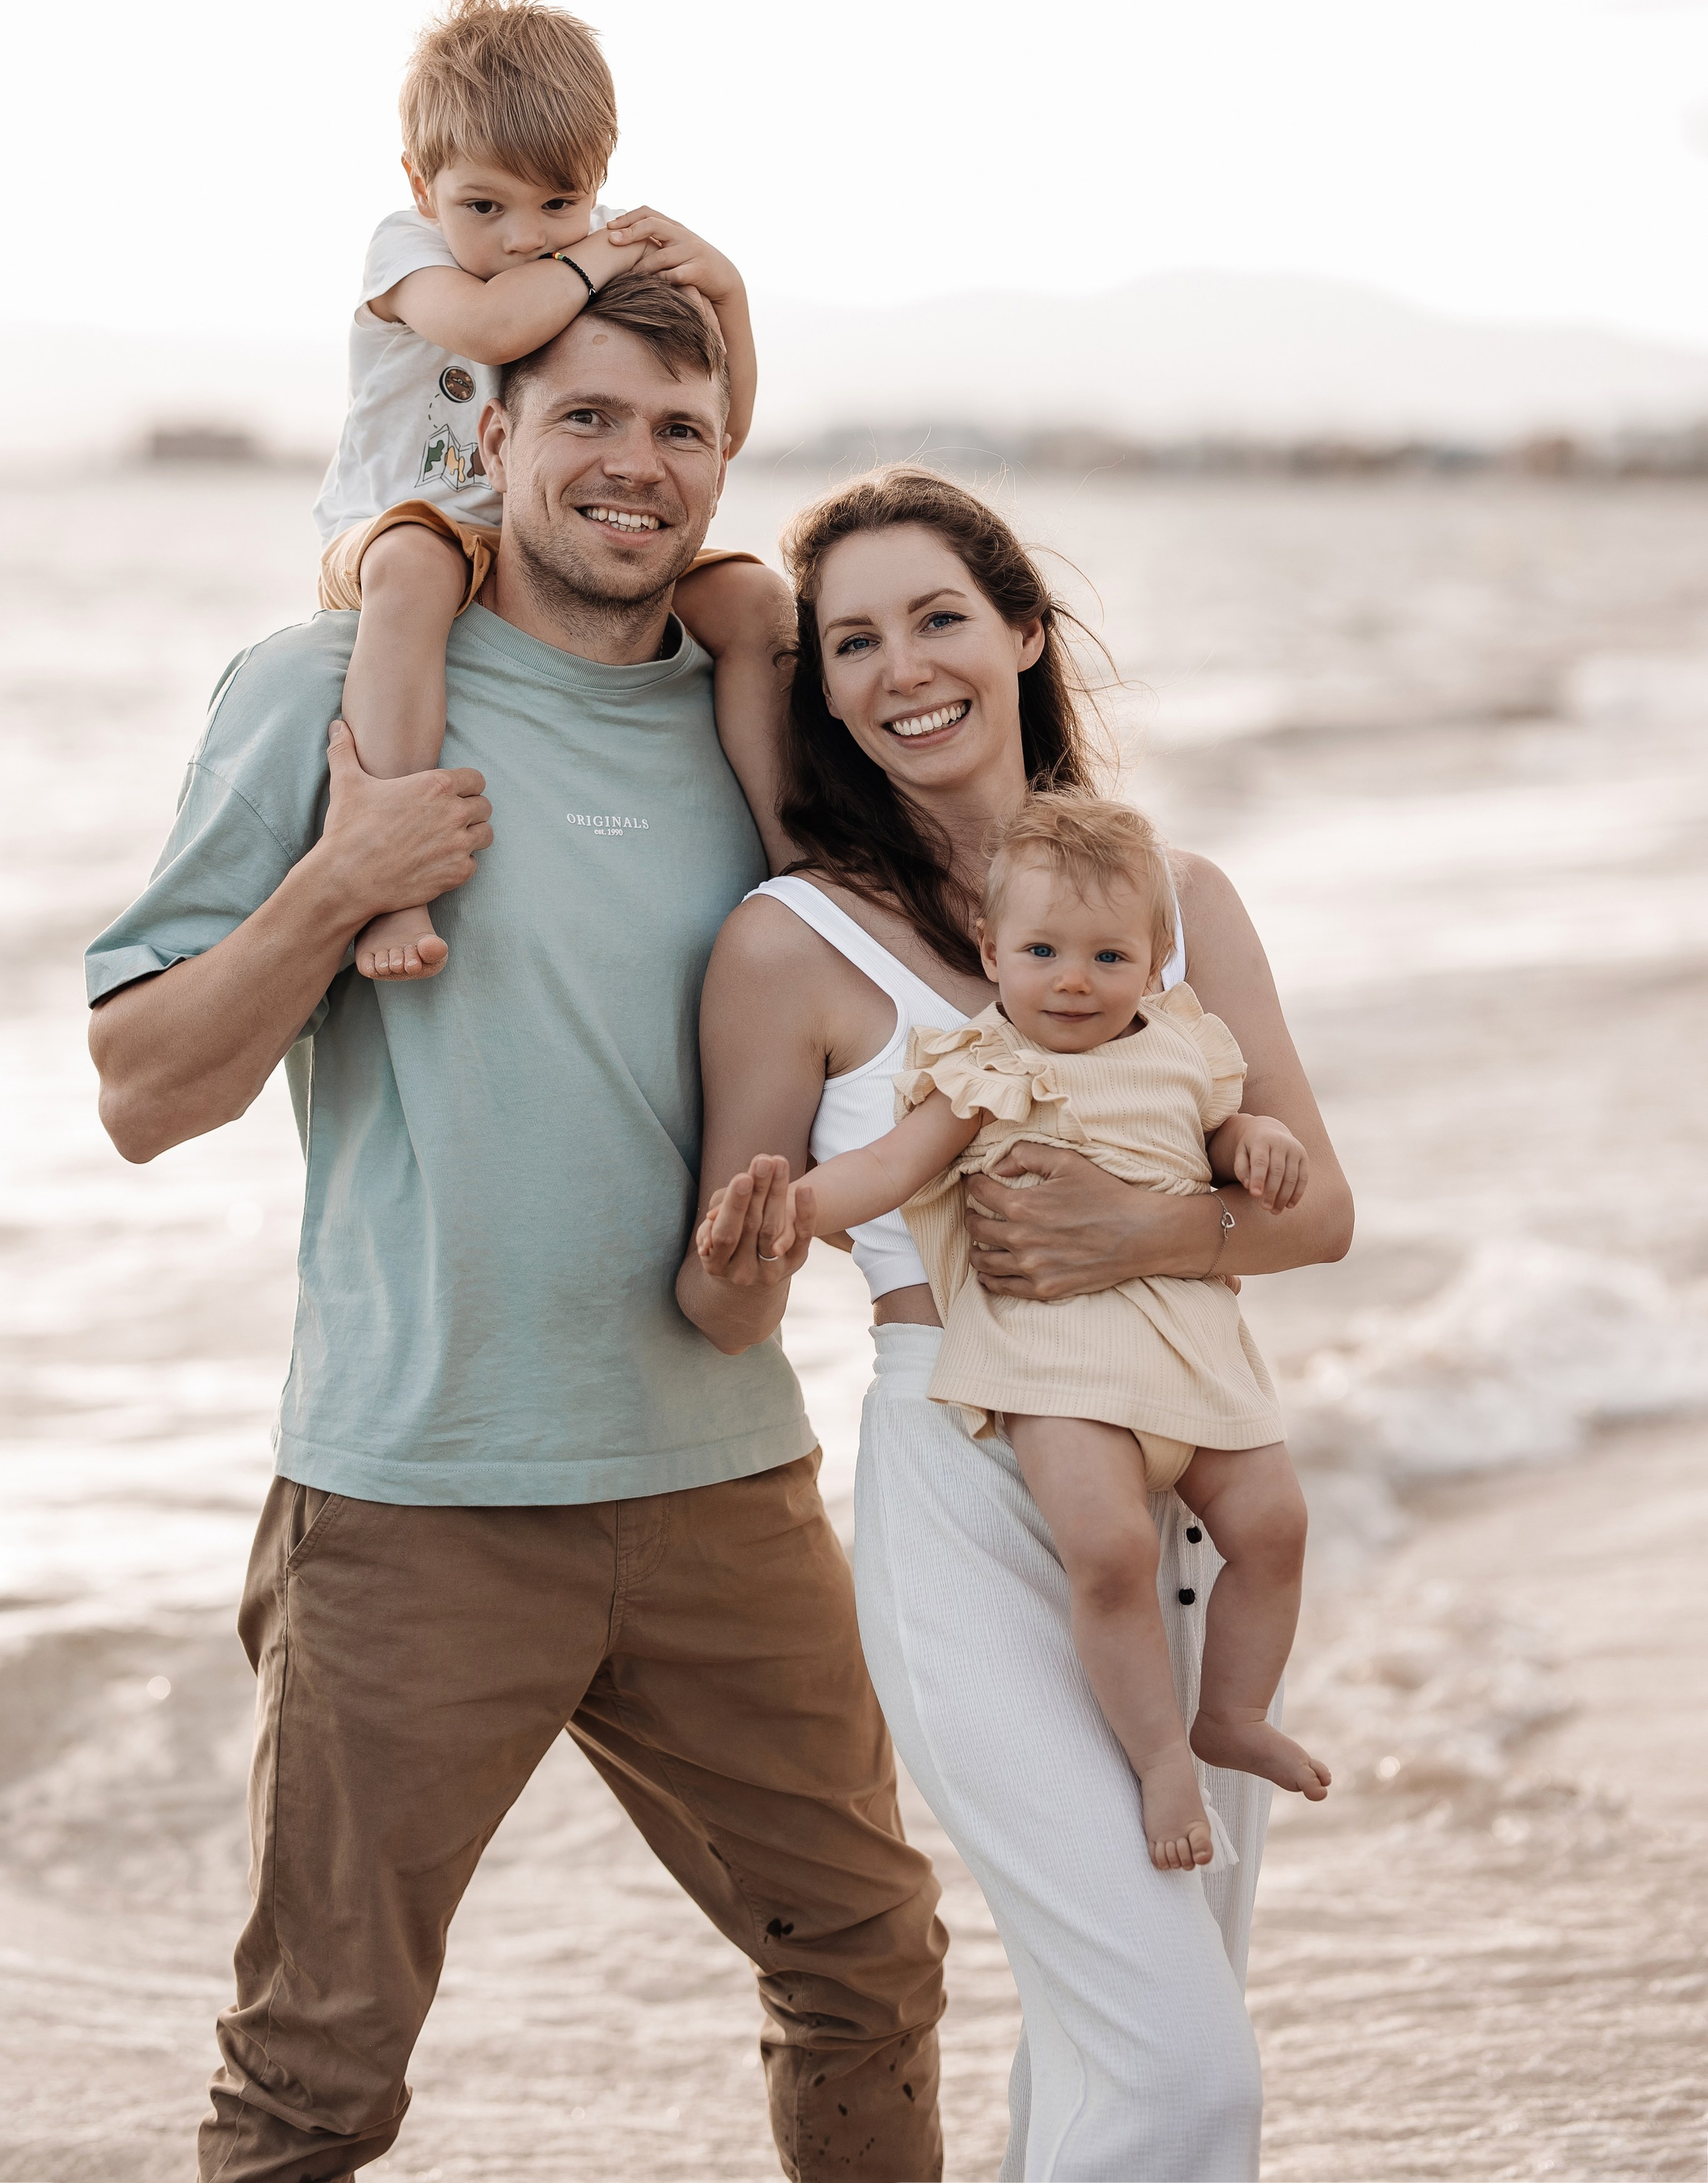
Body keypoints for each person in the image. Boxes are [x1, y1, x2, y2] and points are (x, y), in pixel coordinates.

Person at [85, 286, 947, 2183]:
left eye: (684, 429)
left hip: (725, 1483)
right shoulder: (323, 695)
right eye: (591, 417)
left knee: (872, 1972)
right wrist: (340, 885)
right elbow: (144, 1093)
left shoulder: (762, 737)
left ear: (726, 467)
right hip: (412, 1505)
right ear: (490, 437)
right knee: (313, 2082)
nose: (636, 461)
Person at [678, 468, 1355, 2181]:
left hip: (1184, 1461)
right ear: (819, 688)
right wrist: (748, 1254)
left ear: (1021, 633)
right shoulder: (791, 943)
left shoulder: (1180, 901)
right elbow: (716, 1287)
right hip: (963, 1483)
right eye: (850, 640)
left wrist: (1145, 1227)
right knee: (1181, 2068)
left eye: (938, 618)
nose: (903, 666)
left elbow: (1317, 1212)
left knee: (1126, 2029)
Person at [701, 787, 1331, 1877]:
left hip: (1191, 1347)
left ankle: (1231, 1712)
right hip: (1058, 1365)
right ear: (992, 953)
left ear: (1156, 961)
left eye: (1106, 958)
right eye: (1043, 952)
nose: (1074, 982)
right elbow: (888, 1168)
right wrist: (795, 1207)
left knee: (1274, 1527)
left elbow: (1230, 1141)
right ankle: (1160, 1760)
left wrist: (1260, 1140)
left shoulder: (1185, 1049)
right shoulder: (984, 1068)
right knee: (1111, 1549)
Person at [314, 0, 781, 981]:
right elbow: (489, 322)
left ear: (598, 180)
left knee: (750, 601)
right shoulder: (411, 253)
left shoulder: (576, 260)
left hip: (525, 531)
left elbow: (725, 421)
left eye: (560, 201)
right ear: (421, 184)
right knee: (419, 573)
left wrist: (730, 294)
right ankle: (392, 874)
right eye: (485, 206)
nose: (522, 237)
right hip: (391, 526)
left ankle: (801, 873)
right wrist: (597, 253)